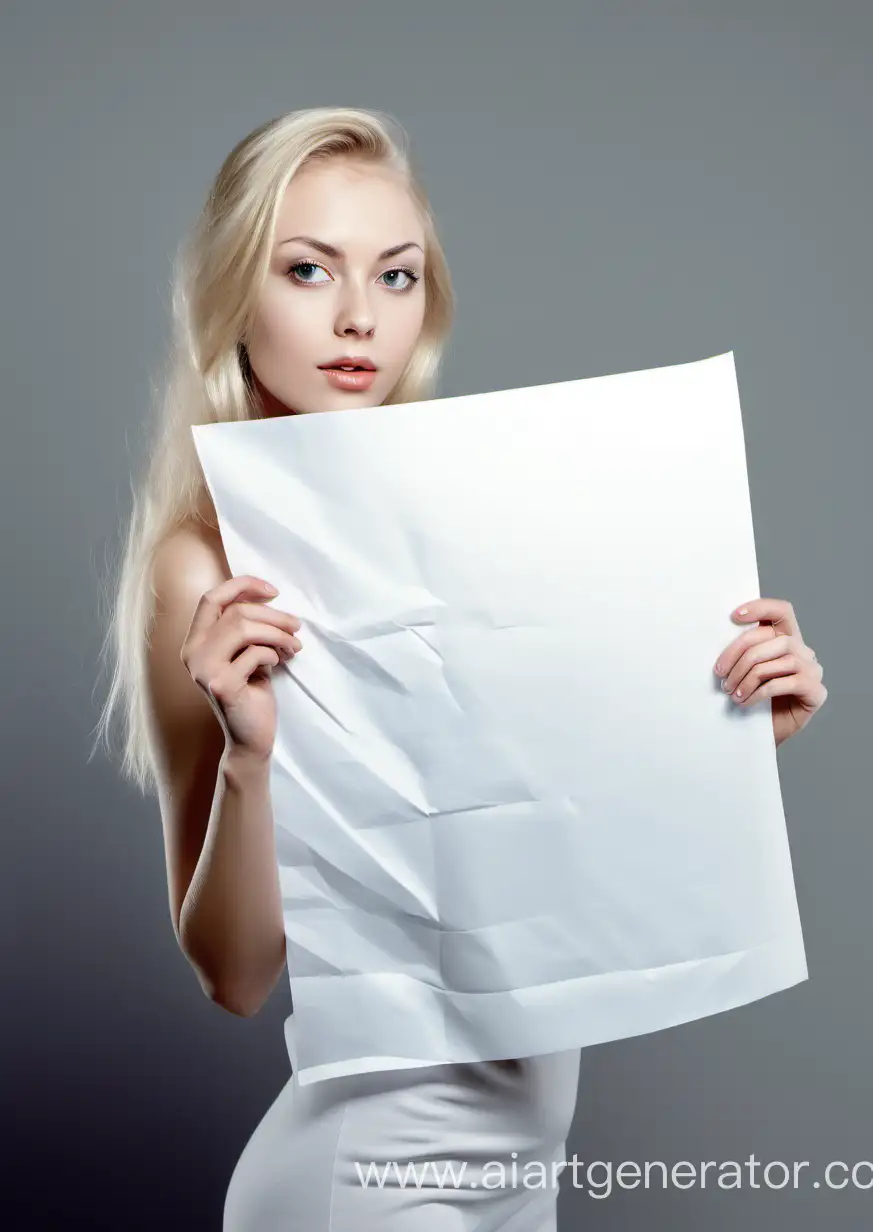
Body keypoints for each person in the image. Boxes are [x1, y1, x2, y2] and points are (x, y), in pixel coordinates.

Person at [95, 105, 828, 1229]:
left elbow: (545, 854)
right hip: (374, 1178)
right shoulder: (206, 568)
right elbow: (235, 977)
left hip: (523, 1174)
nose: (357, 317)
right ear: (237, 291)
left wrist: (724, 727)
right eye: (307, 269)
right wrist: (248, 757)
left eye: (395, 276)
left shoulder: (467, 537)